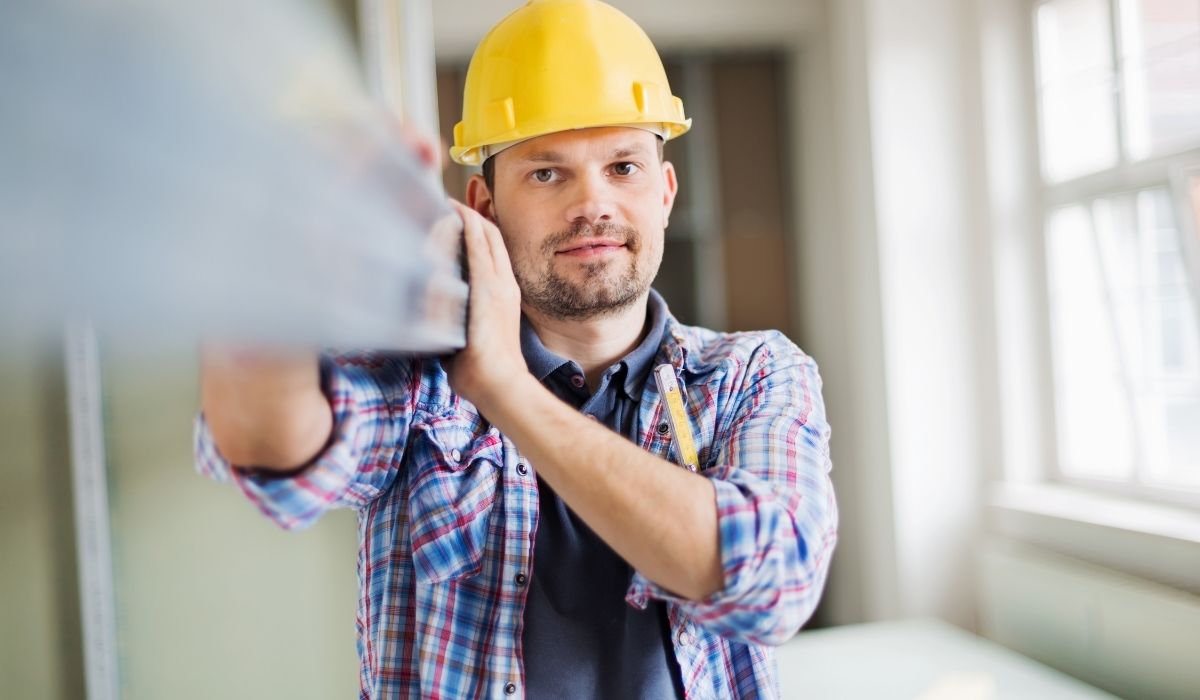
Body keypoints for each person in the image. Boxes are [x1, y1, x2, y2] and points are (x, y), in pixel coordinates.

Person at [196, 1, 838, 697]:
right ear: (485, 203)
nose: (593, 204)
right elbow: (269, 441)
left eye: (623, 167)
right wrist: (265, 257)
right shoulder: (424, 383)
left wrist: (506, 387)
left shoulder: (753, 375)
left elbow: (772, 582)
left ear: (665, 193)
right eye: (546, 173)